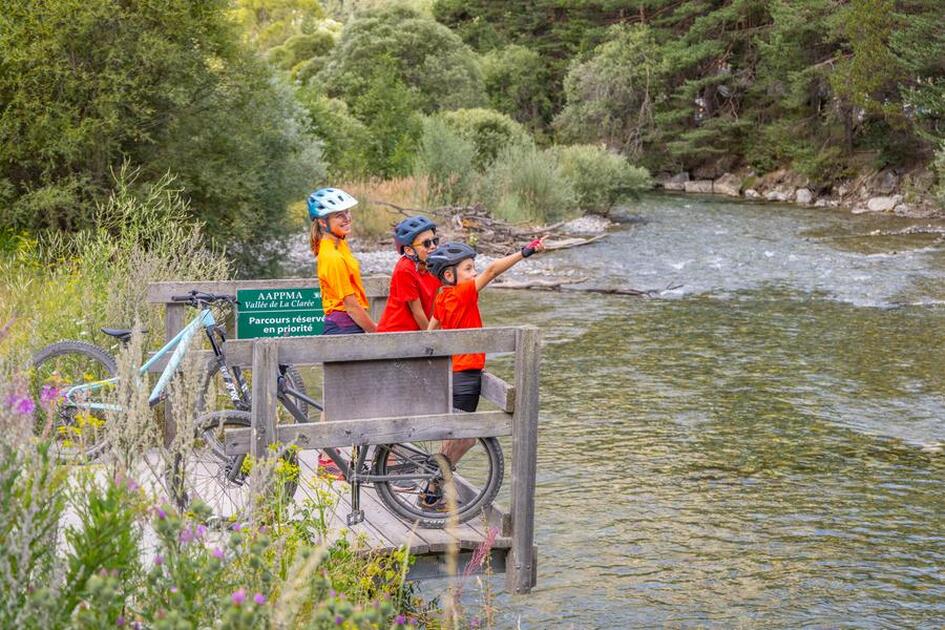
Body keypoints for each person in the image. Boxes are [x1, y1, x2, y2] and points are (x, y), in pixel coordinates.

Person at [422, 237, 545, 508]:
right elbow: (492, 271)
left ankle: (432, 491)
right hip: (466, 376)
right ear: (449, 274)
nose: (474, 272)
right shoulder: (462, 292)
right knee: (466, 438)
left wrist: (423, 354)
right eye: (468, 268)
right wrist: (524, 251)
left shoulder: (442, 296)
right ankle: (434, 481)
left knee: (455, 436)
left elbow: (432, 329)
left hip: (453, 373)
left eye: (473, 267)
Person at [307, 187, 376, 335]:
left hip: (351, 323)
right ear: (322, 222)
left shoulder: (339, 243)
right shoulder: (331, 256)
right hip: (343, 327)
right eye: (339, 215)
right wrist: (378, 331)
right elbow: (350, 307)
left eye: (347, 212)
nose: (347, 218)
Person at [376, 215, 441, 332]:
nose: (433, 246)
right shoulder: (405, 269)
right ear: (409, 250)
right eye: (426, 243)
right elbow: (417, 311)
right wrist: (433, 339)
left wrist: (436, 330)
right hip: (395, 335)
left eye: (435, 241)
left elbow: (434, 305)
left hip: (417, 332)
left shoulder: (434, 265)